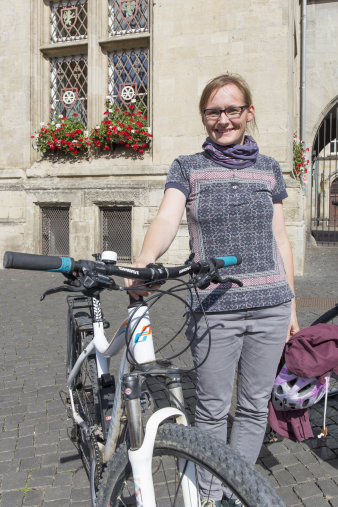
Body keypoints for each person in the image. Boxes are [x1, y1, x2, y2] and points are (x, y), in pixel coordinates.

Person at [126, 73, 299, 507]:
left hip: (271, 305)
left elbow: (280, 239)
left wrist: (292, 303)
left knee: (255, 406)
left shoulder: (269, 169)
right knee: (212, 409)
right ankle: (208, 495)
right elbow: (167, 218)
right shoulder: (188, 166)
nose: (223, 120)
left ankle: (238, 492)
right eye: (213, 112)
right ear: (204, 117)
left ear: (248, 113)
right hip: (215, 307)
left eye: (232, 109)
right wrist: (146, 259)